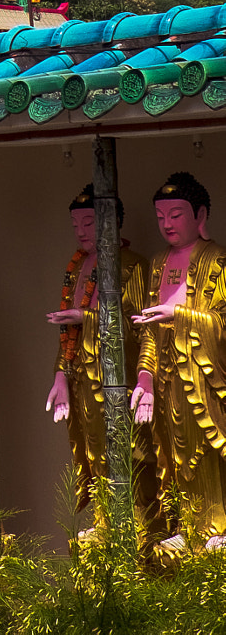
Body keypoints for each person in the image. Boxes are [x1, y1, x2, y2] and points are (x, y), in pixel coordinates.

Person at [43, 182, 154, 532]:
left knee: (129, 451)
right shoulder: (76, 268)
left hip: (118, 380)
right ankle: (106, 521)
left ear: (112, 222)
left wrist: (87, 318)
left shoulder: (133, 266)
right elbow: (68, 334)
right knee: (94, 452)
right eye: (76, 224)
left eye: (89, 223)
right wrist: (61, 375)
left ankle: (137, 524)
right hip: (83, 379)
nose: (81, 231)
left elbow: (139, 325)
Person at [131, 170, 226, 550]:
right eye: (160, 216)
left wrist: (182, 316)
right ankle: (185, 526)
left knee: (200, 450)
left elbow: (221, 321)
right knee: (168, 453)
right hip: (166, 379)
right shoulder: (157, 263)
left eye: (176, 214)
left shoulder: (218, 261)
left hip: (202, 378)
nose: (166, 224)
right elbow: (148, 327)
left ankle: (213, 527)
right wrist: (144, 379)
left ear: (200, 215)